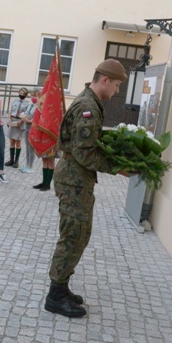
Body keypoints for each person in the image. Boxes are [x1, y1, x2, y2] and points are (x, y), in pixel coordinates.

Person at [44, 59, 127, 318]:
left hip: (78, 180)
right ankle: (55, 295)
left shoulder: (91, 102)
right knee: (72, 235)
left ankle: (62, 285)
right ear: (104, 79)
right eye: (116, 85)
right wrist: (117, 167)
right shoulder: (88, 106)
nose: (116, 91)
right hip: (73, 180)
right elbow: (84, 152)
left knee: (80, 234)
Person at [5, 88, 30, 169]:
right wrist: (9, 119)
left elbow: (26, 114)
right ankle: (11, 160)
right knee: (12, 141)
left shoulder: (27, 104)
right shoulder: (15, 101)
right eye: (20, 92)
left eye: (23, 93)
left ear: (25, 95)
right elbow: (11, 111)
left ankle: (16, 161)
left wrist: (22, 121)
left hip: (20, 123)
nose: (21, 94)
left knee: (18, 142)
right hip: (13, 121)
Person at [21, 88, 40, 174]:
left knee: (31, 147)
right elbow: (26, 113)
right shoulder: (30, 105)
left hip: (33, 128)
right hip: (27, 127)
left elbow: (37, 119)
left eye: (34, 96)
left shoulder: (39, 106)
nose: (33, 97)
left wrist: (28, 120)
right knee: (27, 147)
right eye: (32, 95)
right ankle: (27, 164)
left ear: (38, 96)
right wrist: (23, 116)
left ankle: (30, 166)